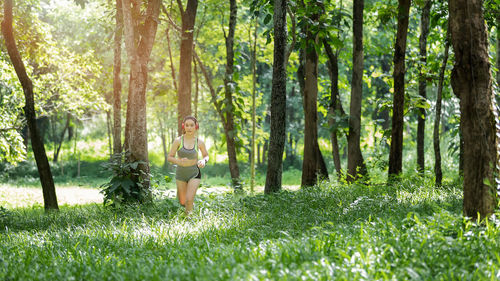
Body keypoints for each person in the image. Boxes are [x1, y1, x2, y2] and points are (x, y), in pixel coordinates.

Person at [167, 116, 209, 215]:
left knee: (189, 200)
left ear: (196, 127)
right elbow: (170, 157)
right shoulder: (178, 141)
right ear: (183, 127)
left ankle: (189, 221)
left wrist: (203, 161)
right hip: (181, 174)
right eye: (187, 125)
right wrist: (179, 161)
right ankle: (189, 208)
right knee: (183, 201)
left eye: (191, 125)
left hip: (194, 173)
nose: (189, 128)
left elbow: (206, 155)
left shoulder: (199, 142)